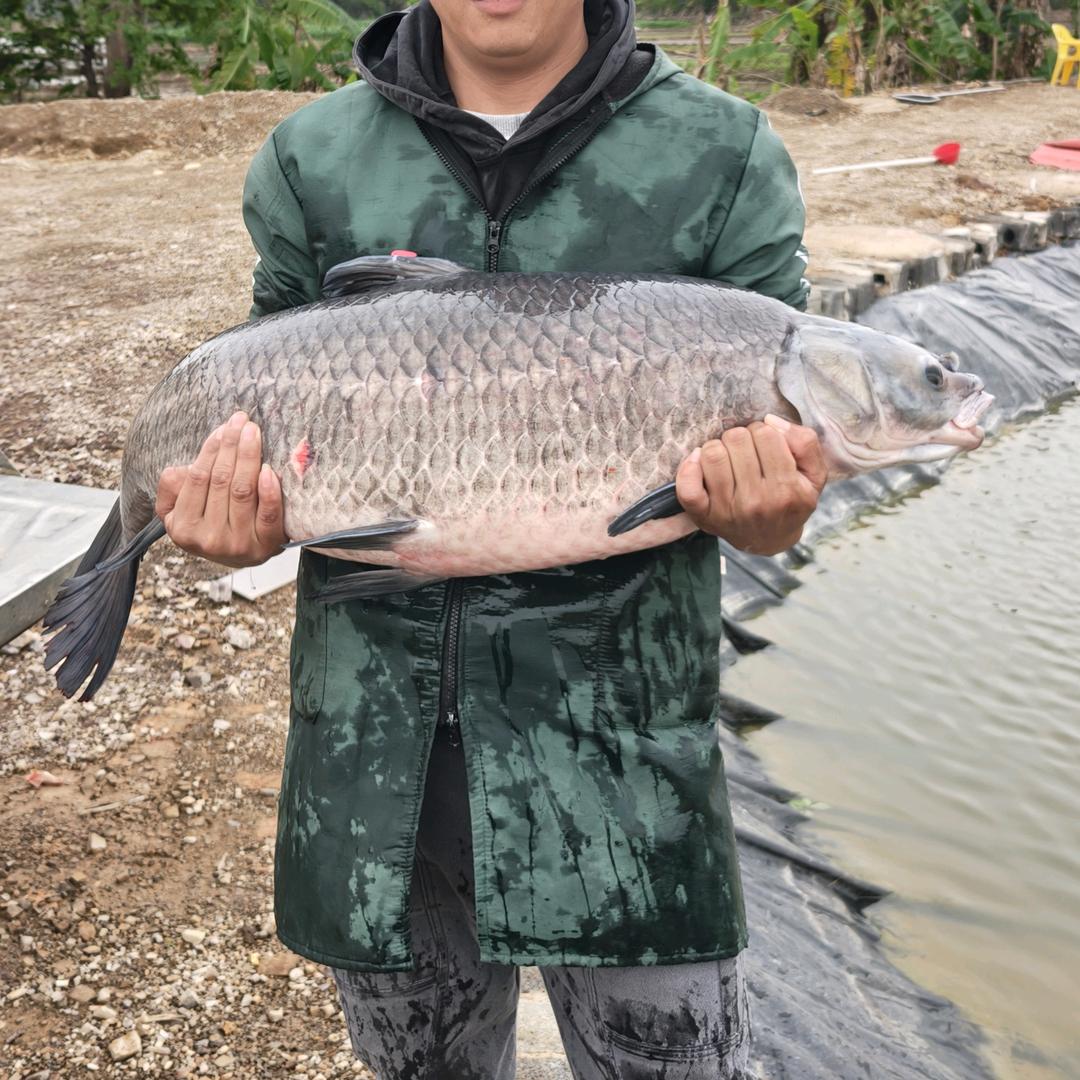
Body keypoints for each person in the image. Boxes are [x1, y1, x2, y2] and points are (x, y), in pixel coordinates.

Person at [155, 1, 826, 1076]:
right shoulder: (311, 158)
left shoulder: (723, 152)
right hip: (374, 770)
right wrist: (229, 524)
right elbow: (263, 411)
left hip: (629, 780)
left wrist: (776, 510)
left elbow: (786, 487)